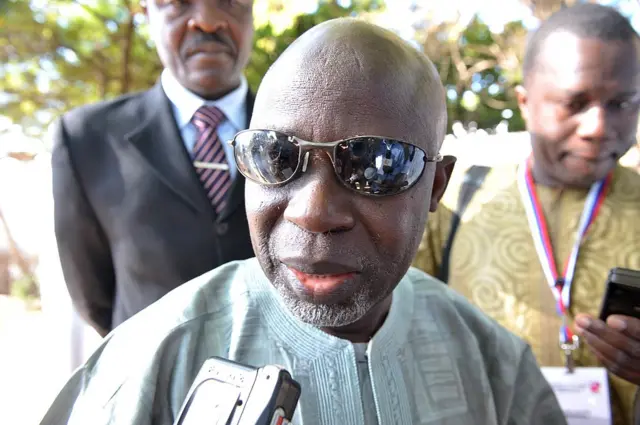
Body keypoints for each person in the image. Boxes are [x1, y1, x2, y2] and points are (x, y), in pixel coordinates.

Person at [39, 19, 567, 425]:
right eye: (275, 156)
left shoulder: (493, 363)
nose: (312, 212)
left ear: (435, 186)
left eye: (375, 164)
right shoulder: (149, 361)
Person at [413, 4, 640, 425]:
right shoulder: (450, 202)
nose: (598, 126)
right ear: (526, 102)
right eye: (575, 102)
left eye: (622, 103)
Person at [51, 0, 256, 337]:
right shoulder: (84, 139)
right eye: (177, 3)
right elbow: (93, 296)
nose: (206, 21)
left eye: (229, 1)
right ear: (147, 14)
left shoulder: (300, 133)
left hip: (279, 380)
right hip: (150, 379)